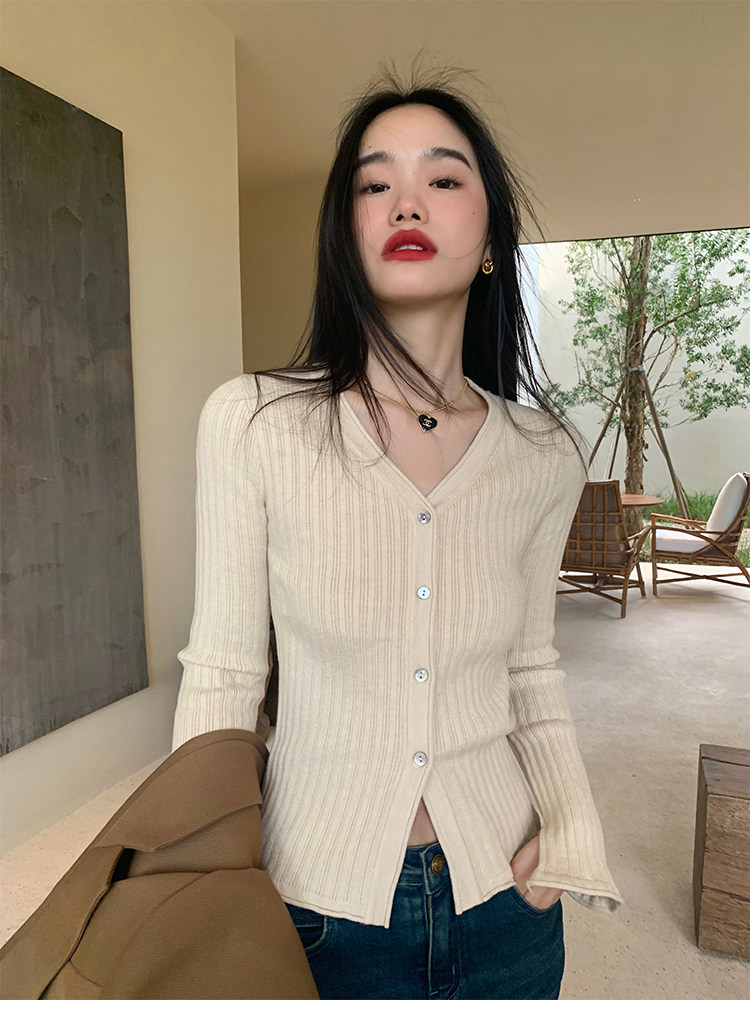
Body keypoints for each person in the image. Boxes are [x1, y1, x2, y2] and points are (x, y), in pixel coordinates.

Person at [172, 69, 623, 1000]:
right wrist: (204, 884)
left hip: (508, 902)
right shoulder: (253, 424)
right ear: (346, 234)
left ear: (491, 241)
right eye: (374, 184)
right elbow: (223, 677)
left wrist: (572, 826)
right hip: (313, 907)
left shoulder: (543, 453)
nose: (405, 202)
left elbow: (530, 667)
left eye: (443, 178)